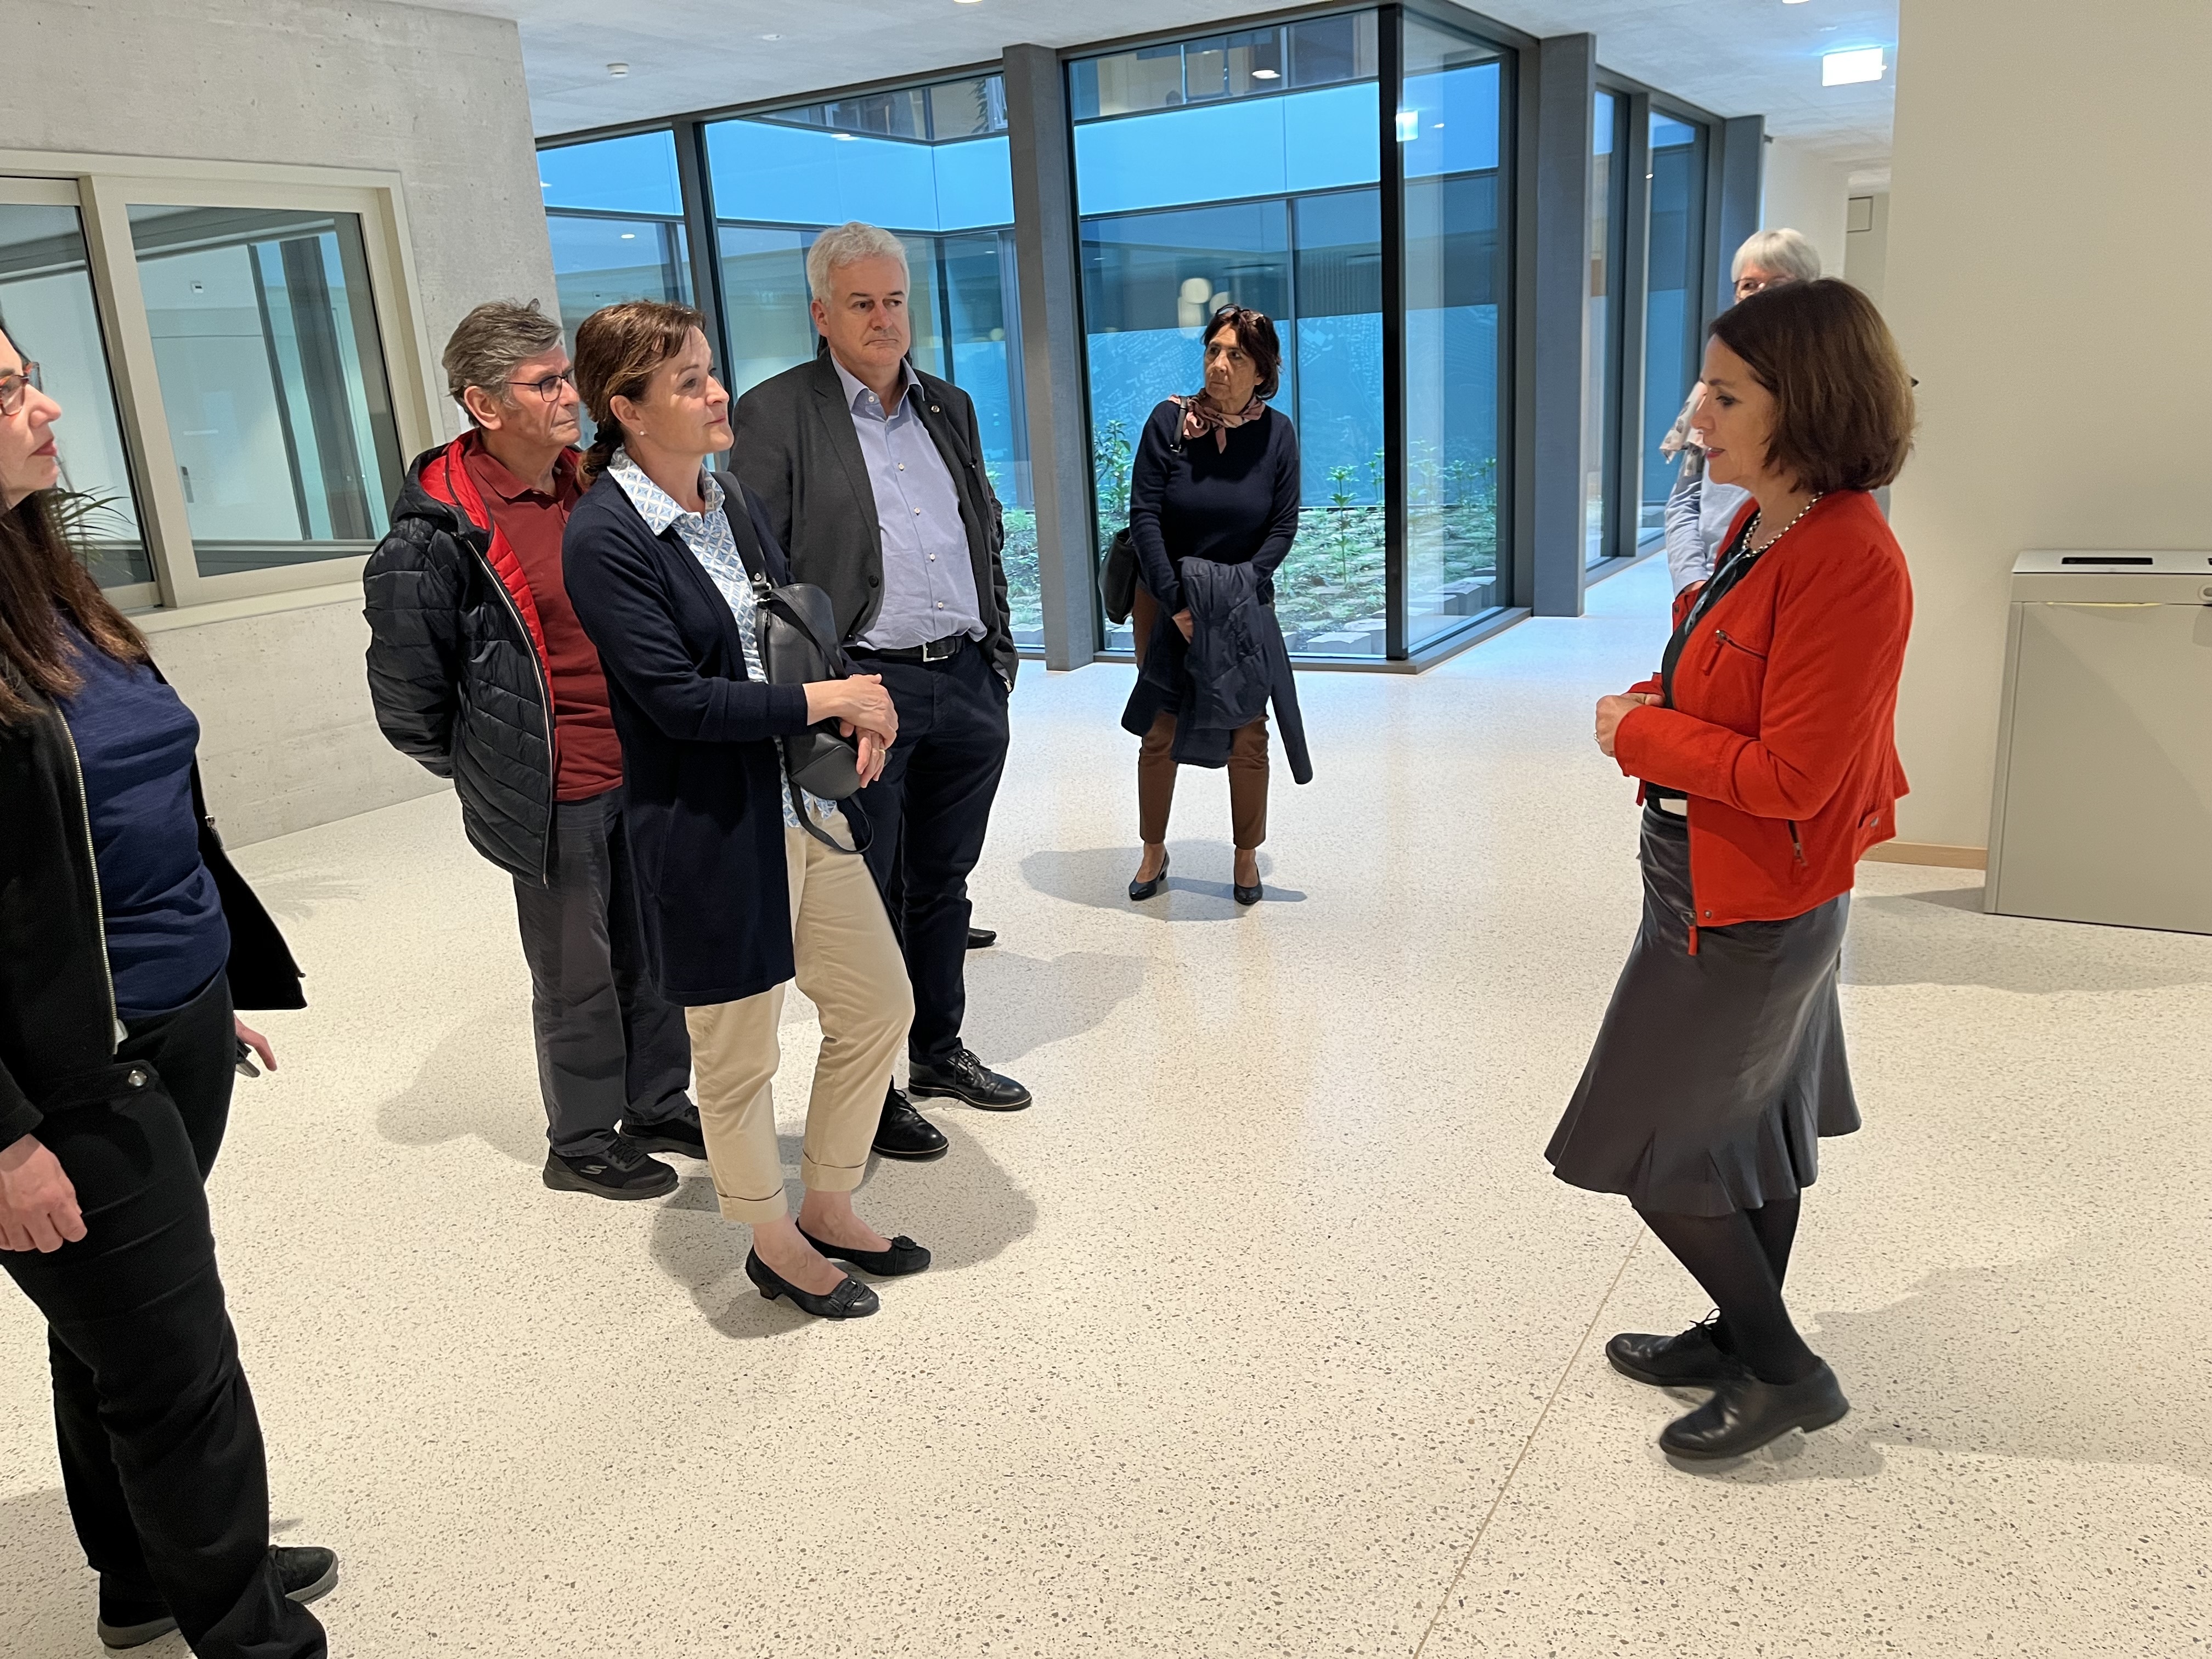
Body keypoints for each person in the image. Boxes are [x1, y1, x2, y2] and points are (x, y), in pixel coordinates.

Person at [0, 323, 337, 1654]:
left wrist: (208, 983)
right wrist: (7, 1134)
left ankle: (145, 1576)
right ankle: (250, 1635)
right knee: (178, 1374)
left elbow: (139, 810)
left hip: (172, 1023)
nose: (50, 405)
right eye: (10, 389)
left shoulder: (42, 577)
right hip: (69, 1078)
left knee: (117, 1343)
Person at [1548, 278, 1916, 1462]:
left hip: (1752, 902)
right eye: (1704, 385)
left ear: (1802, 403)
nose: (1696, 414)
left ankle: (1786, 1373)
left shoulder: (1850, 557)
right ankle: (1737, 1331)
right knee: (1749, 1133)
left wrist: (1637, 733)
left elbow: (1794, 775)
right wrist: (1665, 697)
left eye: (1725, 392)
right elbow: (1739, 682)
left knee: (1663, 1151)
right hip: (1715, 882)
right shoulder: (1770, 520)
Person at [562, 300, 926, 1321]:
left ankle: (829, 1198)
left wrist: (853, 694)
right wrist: (830, 699)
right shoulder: (604, 536)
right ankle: (770, 1238)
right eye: (687, 381)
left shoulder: (729, 499)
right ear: (625, 409)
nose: (717, 392)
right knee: (736, 1055)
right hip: (709, 827)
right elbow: (675, 699)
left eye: (710, 370)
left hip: (805, 807)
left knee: (875, 1005)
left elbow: (785, 630)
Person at [365, 300, 703, 1201]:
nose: (569, 395)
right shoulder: (434, 535)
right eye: (547, 382)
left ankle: (658, 1099)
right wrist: (491, 759)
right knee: (576, 973)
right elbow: (408, 696)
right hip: (553, 786)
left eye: (566, 376)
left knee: (655, 948)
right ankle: (584, 1137)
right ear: (483, 403)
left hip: (647, 761)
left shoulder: (595, 482)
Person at [731, 221, 1030, 1162]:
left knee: (943, 879)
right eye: (861, 302)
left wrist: (1001, 652)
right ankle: (879, 1082)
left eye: (894, 300)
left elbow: (979, 529)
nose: (883, 319)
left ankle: (937, 1049)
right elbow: (759, 568)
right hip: (869, 685)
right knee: (868, 890)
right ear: (822, 313)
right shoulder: (776, 413)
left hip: (967, 676)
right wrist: (817, 691)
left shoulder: (950, 404)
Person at [1122, 306, 1311, 905]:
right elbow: (1144, 515)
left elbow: (1282, 526)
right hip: (1165, 597)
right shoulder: (1168, 422)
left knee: (1247, 732)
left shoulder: (1277, 434)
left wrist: (1234, 592)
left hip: (1241, 600)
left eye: (1236, 356)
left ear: (1263, 371)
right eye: (1213, 351)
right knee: (1161, 728)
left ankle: (1246, 857)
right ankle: (1154, 849)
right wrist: (1178, 600)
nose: (1219, 365)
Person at [1661, 228, 1824, 592]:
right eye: (1749, 286)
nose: (1760, 298)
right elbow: (1685, 497)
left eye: (1778, 284)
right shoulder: (1710, 389)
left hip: (1787, 580)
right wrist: (1692, 582)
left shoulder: (1827, 394)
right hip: (1714, 578)